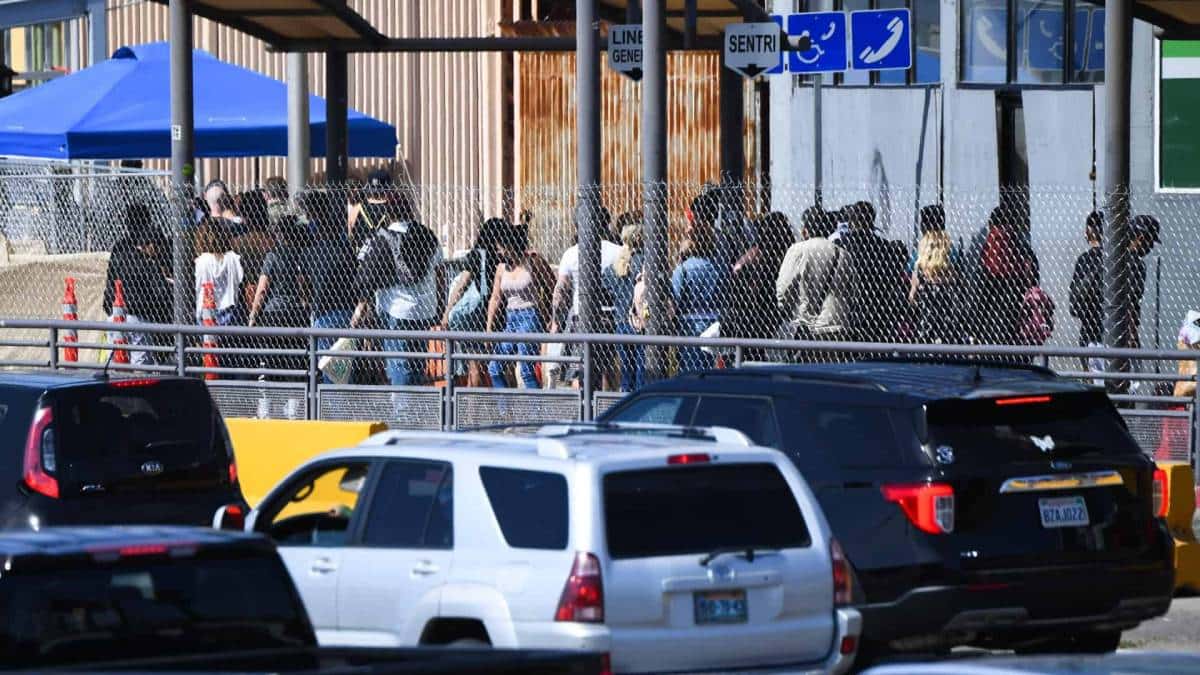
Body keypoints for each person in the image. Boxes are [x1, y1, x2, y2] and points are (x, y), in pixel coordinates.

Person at [351, 195, 445, 386]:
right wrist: (440, 303)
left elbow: (368, 275)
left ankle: (402, 404)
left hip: (397, 310)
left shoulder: (383, 238)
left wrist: (361, 307)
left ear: (389, 214)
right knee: (418, 363)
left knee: (399, 365)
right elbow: (440, 272)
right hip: (425, 310)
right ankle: (415, 400)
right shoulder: (427, 235)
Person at [550, 206, 620, 387]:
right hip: (610, 316)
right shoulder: (617, 251)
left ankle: (582, 401)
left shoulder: (571, 253)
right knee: (607, 368)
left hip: (581, 317)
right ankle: (609, 401)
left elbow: (560, 289)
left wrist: (555, 319)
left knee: (579, 368)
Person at [776, 206, 856, 354]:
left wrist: (785, 307)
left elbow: (784, 287)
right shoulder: (844, 254)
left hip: (806, 325)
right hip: (836, 325)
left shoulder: (798, 250)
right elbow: (852, 292)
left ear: (805, 230)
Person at [103, 203, 173, 366]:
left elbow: (110, 281)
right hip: (139, 314)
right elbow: (161, 293)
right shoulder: (147, 252)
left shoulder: (120, 248)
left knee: (116, 361)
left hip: (117, 311)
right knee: (140, 364)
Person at [302, 190, 359, 379]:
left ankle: (328, 396)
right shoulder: (346, 251)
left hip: (322, 311)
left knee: (327, 366)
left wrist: (307, 301)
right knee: (345, 368)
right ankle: (345, 394)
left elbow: (304, 284)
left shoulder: (310, 253)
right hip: (346, 310)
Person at [442, 217, 505, 386]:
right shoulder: (505, 257)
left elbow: (462, 284)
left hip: (477, 317)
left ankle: (471, 403)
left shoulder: (477, 255)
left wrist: (447, 311)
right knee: (501, 365)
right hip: (500, 314)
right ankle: (504, 401)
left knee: (475, 365)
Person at [964, 203, 1038, 345]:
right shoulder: (1017, 241)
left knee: (982, 307)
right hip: (1013, 293)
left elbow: (983, 264)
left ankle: (977, 336)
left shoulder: (989, 241)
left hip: (990, 286)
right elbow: (1030, 268)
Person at [247, 215, 311, 375]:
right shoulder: (301, 255)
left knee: (272, 360)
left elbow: (262, 289)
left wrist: (253, 314)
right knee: (295, 362)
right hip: (295, 313)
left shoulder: (273, 255)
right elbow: (303, 285)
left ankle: (271, 386)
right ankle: (294, 390)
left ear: (281, 234)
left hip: (274, 313)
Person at [838, 201, 908, 343]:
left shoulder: (841, 246)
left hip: (847, 311)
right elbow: (893, 279)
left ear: (850, 222)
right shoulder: (884, 247)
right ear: (872, 222)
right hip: (878, 314)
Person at [729, 211, 793, 361]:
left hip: (754, 312)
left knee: (751, 354)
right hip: (777, 311)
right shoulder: (787, 253)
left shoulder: (756, 254)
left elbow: (736, 271)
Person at [486, 222, 543, 389]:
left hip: (529, 315)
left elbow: (551, 285)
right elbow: (495, 297)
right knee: (494, 368)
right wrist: (489, 327)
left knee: (526, 371)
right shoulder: (501, 268)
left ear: (510, 246)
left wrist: (549, 315)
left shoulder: (532, 261)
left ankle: (537, 406)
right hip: (511, 319)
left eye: (500, 248)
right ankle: (505, 405)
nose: (498, 252)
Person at [672, 213, 720, 373]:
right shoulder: (719, 268)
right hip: (714, 323)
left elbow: (675, 299)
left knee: (690, 370)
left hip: (689, 324)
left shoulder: (683, 269)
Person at [603, 218, 645, 392]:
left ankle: (627, 399)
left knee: (627, 370)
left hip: (621, 321)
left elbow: (605, 288)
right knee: (642, 369)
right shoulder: (644, 261)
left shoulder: (615, 264)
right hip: (641, 322)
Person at [909, 228, 963, 344]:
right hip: (948, 324)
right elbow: (960, 297)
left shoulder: (919, 272)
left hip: (926, 323)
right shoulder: (951, 272)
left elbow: (912, 298)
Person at [1069, 211, 1105, 369]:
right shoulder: (1114, 259)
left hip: (1088, 328)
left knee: (1091, 375)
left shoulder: (1083, 260)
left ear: (1088, 231)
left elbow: (1074, 301)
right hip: (1109, 328)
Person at [192, 217, 243, 326]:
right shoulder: (232, 258)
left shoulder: (202, 260)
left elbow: (200, 286)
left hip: (206, 307)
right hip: (230, 308)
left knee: (207, 337)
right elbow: (240, 280)